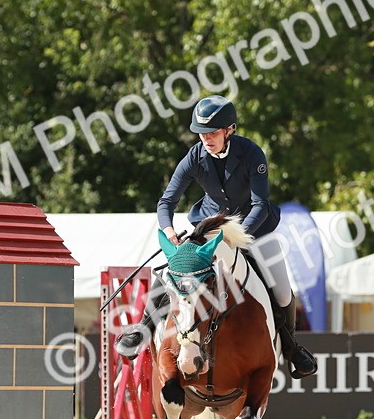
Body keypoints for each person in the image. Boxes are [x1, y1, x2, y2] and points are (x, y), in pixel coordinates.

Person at [114, 95, 317, 379]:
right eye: (202, 133)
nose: (206, 138)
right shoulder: (194, 157)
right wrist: (168, 228)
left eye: (212, 133)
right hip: (209, 228)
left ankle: (292, 348)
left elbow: (260, 204)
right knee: (173, 270)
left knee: (282, 291)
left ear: (229, 130)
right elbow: (166, 202)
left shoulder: (251, 154)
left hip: (253, 227)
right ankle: (142, 329)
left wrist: (236, 238)